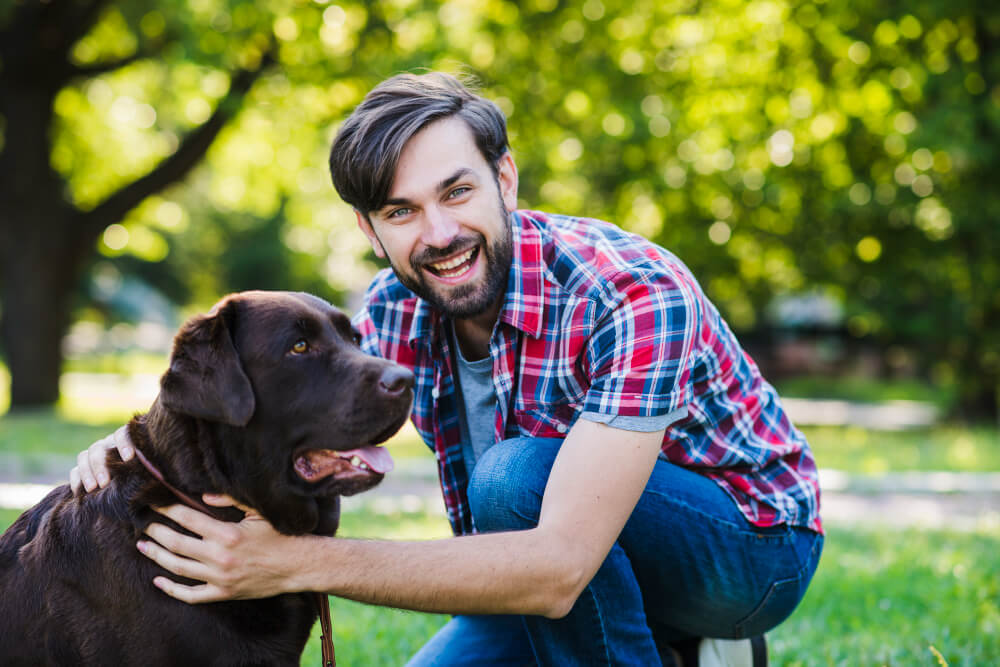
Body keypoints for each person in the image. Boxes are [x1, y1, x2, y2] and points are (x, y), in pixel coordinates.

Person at [73, 72, 823, 666]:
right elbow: (276, 390)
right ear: (369, 230)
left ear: (506, 178)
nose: (438, 234)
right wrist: (137, 438)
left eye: (457, 192)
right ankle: (670, 648)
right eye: (401, 212)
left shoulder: (629, 292)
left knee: (512, 478)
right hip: (559, 567)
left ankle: (691, 631)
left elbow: (557, 563)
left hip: (748, 552)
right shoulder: (395, 307)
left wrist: (295, 562)